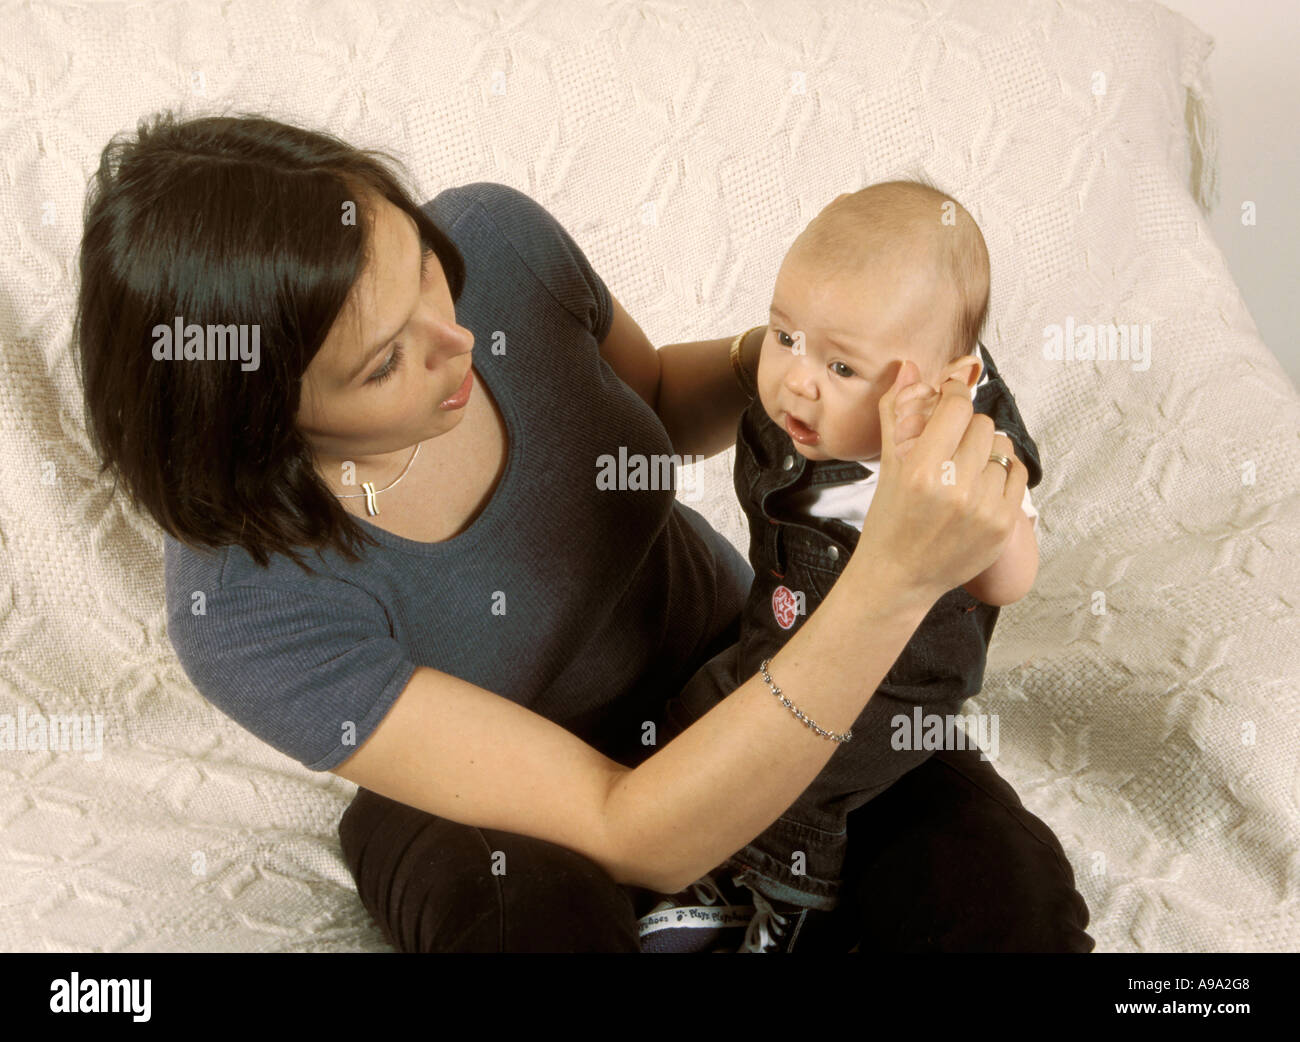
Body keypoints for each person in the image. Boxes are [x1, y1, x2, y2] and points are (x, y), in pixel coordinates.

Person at [72, 111, 1093, 953]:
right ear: (258, 422)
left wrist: (804, 360)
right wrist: (890, 584)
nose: (458, 337)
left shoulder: (500, 243)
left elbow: (649, 399)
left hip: (735, 664)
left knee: (998, 907)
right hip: (497, 811)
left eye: (428, 268)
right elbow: (629, 825)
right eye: (387, 364)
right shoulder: (244, 607)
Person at [641, 181, 1071, 953]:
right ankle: (694, 858)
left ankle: (782, 895)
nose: (796, 380)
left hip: (894, 687)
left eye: (842, 368)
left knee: (817, 771)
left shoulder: (965, 452)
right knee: (706, 711)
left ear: (948, 384)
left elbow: (1009, 582)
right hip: (777, 645)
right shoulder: (792, 423)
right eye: (785, 336)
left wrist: (986, 515)